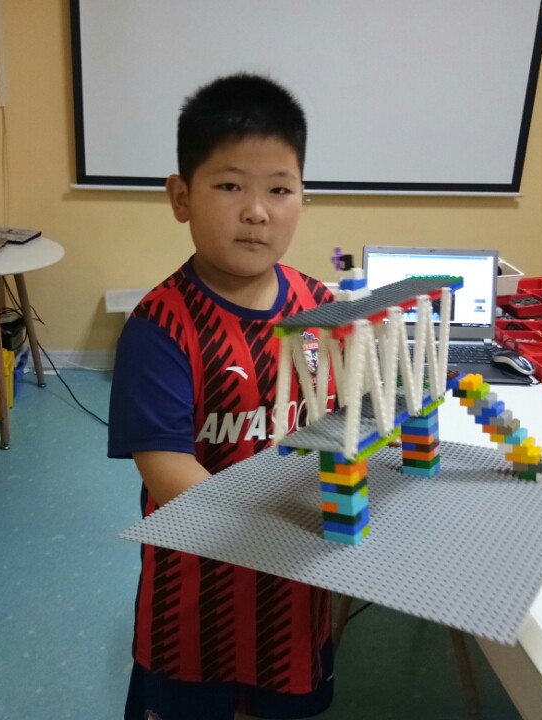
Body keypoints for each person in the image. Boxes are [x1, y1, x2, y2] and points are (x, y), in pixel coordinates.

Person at [108, 73, 336, 720]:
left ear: (302, 198)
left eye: (279, 189)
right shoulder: (160, 328)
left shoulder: (319, 306)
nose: (257, 211)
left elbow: (342, 417)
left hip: (295, 593)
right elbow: (166, 469)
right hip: (197, 594)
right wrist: (277, 526)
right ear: (181, 197)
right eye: (230, 186)